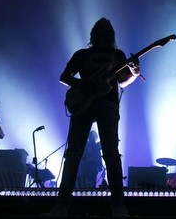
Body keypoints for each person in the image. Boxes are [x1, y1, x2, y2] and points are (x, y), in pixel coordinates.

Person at [43, 18, 140, 218]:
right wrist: (82, 85)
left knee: (110, 154)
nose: (103, 29)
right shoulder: (82, 54)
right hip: (84, 104)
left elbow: (122, 81)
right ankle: (61, 206)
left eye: (105, 28)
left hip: (107, 104)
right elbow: (64, 77)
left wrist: (135, 71)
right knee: (74, 154)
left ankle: (118, 207)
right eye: (100, 28)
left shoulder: (117, 55)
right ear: (95, 33)